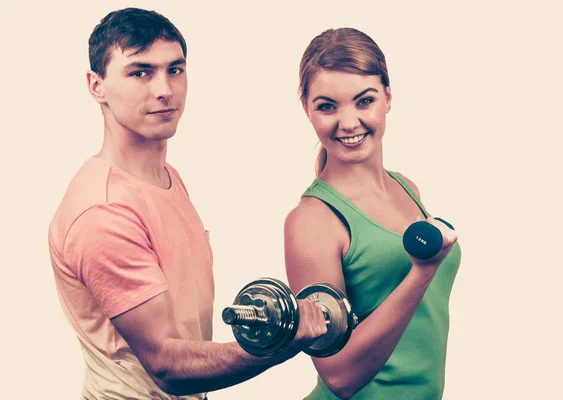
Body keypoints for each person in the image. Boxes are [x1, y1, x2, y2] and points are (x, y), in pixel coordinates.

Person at [47, 8, 327, 399]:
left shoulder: (164, 177)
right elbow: (167, 365)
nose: (164, 89)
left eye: (174, 70)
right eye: (140, 72)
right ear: (97, 86)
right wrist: (281, 342)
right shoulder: (104, 212)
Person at [284, 27, 462, 399]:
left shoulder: (407, 187)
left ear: (388, 97)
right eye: (327, 106)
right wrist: (422, 273)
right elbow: (339, 374)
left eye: (364, 101)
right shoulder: (312, 222)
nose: (348, 123)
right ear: (306, 109)